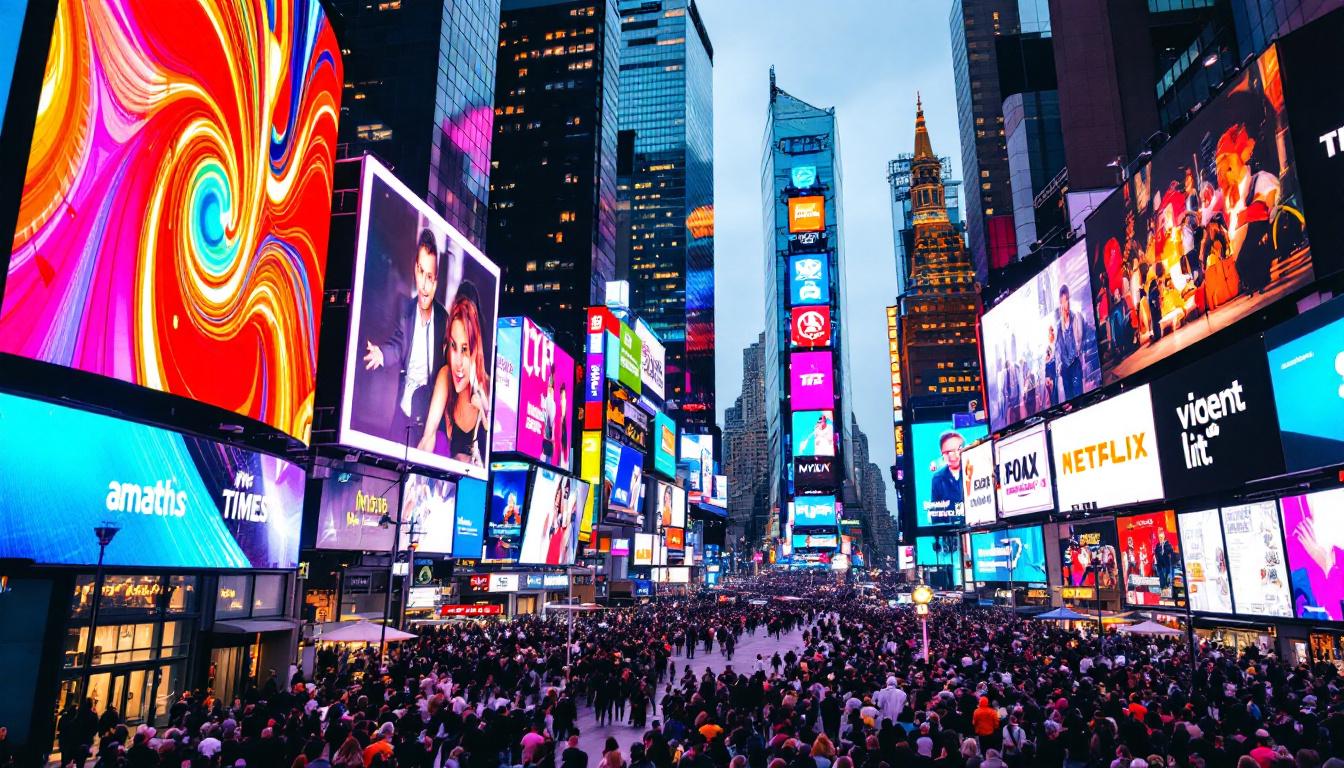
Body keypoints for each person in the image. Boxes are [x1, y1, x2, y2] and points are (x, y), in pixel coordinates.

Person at [364, 228, 448, 440]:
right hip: (403, 411)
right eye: (421, 272)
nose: (425, 284)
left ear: (436, 281)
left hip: (430, 417)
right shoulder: (406, 311)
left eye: (430, 276)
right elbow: (397, 345)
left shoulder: (443, 320)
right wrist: (381, 354)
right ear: (415, 270)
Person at [418, 284, 492, 466]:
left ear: (476, 349)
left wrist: (483, 407)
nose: (457, 363)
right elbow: (429, 435)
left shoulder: (487, 387)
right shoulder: (445, 376)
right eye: (453, 346)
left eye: (465, 349)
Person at [1054, 283, 1089, 400]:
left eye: (1067, 300)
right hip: (1065, 368)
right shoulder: (1059, 325)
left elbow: (1084, 336)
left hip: (1075, 364)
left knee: (1079, 397)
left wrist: (1080, 352)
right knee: (1069, 400)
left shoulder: (1076, 317)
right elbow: (1058, 347)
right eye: (1063, 301)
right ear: (1060, 302)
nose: (1065, 304)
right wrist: (1060, 364)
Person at [928, 431, 966, 521]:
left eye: (958, 450)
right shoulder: (937, 479)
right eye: (948, 452)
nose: (953, 456)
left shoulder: (976, 471)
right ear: (942, 454)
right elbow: (936, 516)